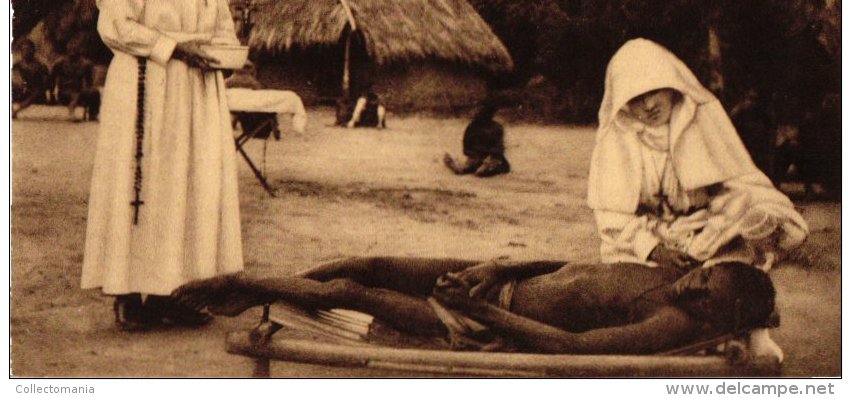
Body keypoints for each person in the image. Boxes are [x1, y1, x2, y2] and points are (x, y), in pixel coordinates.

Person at [81, 0, 243, 331]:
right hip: (149, 85)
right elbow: (114, 25)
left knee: (190, 185)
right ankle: (131, 294)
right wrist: (171, 48)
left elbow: (221, 22)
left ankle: (178, 292)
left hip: (198, 89)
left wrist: (227, 54)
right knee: (146, 184)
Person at [172, 256, 777, 355]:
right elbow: (569, 264)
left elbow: (570, 348)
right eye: (704, 275)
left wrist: (480, 309)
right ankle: (273, 287)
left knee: (354, 295)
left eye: (707, 297)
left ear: (719, 318)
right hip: (493, 284)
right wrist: (499, 267)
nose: (693, 287)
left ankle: (251, 282)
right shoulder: (673, 275)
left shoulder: (670, 322)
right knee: (370, 263)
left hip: (483, 323)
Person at [587, 39, 808, 272]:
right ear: (623, 104)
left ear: (672, 87)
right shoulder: (618, 137)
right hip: (645, 241)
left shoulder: (701, 122)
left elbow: (745, 188)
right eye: (636, 98)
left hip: (707, 236)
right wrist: (654, 249)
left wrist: (750, 215)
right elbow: (611, 217)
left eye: (654, 91)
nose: (649, 105)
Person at [444, 103, 510, 177]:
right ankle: (480, 167)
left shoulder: (477, 127)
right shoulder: (475, 127)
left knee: (488, 162)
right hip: (479, 156)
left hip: (485, 156)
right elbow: (499, 148)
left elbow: (467, 146)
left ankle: (479, 167)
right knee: (478, 164)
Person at [49, 38, 101, 121]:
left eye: (75, 49)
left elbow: (89, 82)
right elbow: (51, 80)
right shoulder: (59, 63)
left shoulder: (85, 64)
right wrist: (51, 95)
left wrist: (87, 90)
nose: (72, 51)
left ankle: (93, 114)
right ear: (67, 49)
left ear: (80, 50)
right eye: (70, 49)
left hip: (79, 90)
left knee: (95, 92)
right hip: (64, 93)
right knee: (73, 93)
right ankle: (71, 112)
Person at [11, 39, 49, 119]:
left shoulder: (40, 66)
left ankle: (17, 110)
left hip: (36, 93)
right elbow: (16, 78)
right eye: (23, 49)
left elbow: (45, 83)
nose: (25, 52)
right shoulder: (17, 65)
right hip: (22, 90)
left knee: (36, 91)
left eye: (28, 49)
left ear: (33, 51)